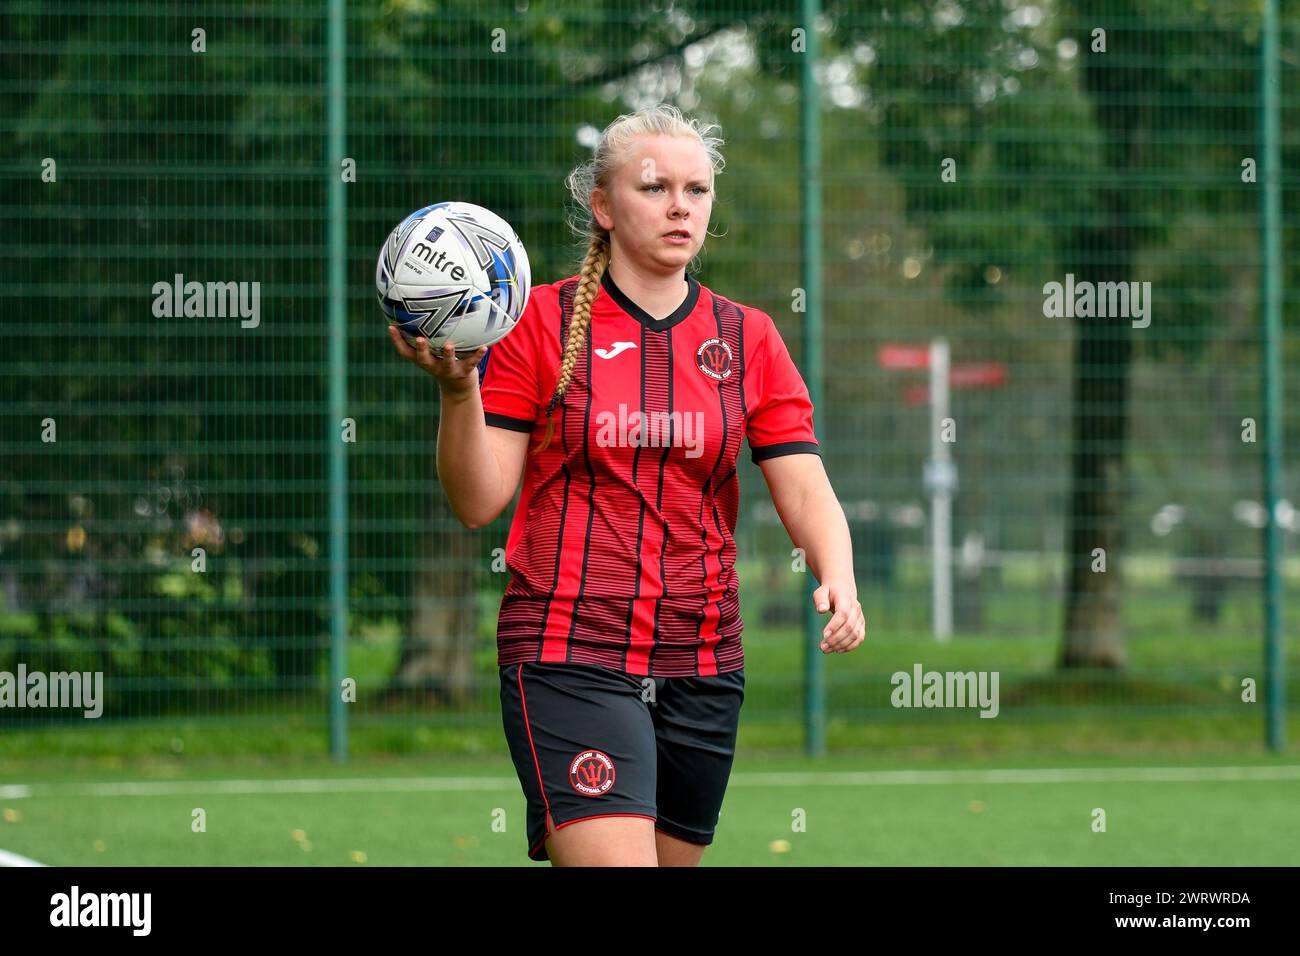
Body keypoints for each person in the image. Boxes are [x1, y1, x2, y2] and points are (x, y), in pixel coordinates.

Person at [388, 103, 865, 866]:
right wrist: (456, 395)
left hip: (703, 655)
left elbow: (804, 486)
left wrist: (839, 575)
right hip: (567, 646)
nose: (681, 206)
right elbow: (478, 502)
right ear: (603, 207)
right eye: (654, 188)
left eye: (698, 189)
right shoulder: (534, 323)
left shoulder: (748, 339)